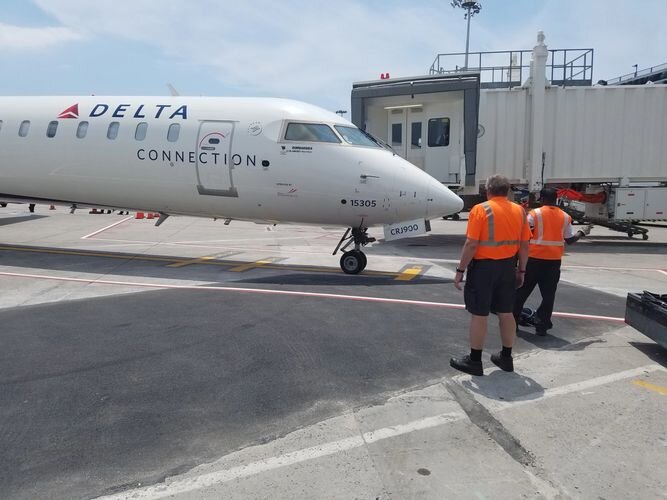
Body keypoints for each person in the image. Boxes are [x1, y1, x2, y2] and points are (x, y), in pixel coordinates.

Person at [450, 175, 531, 376]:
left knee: (480, 313)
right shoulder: (520, 211)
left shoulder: (481, 209)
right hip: (507, 267)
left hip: (484, 269)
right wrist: (521, 270)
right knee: (506, 313)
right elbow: (524, 245)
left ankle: (475, 361)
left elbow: (471, 244)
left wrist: (460, 270)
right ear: (507, 191)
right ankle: (506, 357)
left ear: (488, 191)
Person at [513, 187, 591, 335]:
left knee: (521, 292)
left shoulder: (534, 214)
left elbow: (524, 237)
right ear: (556, 200)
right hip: (553, 262)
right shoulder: (565, 217)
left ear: (541, 199)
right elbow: (569, 240)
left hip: (534, 260)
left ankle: (513, 323)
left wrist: (517, 260)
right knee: (548, 296)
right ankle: (542, 325)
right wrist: (582, 232)